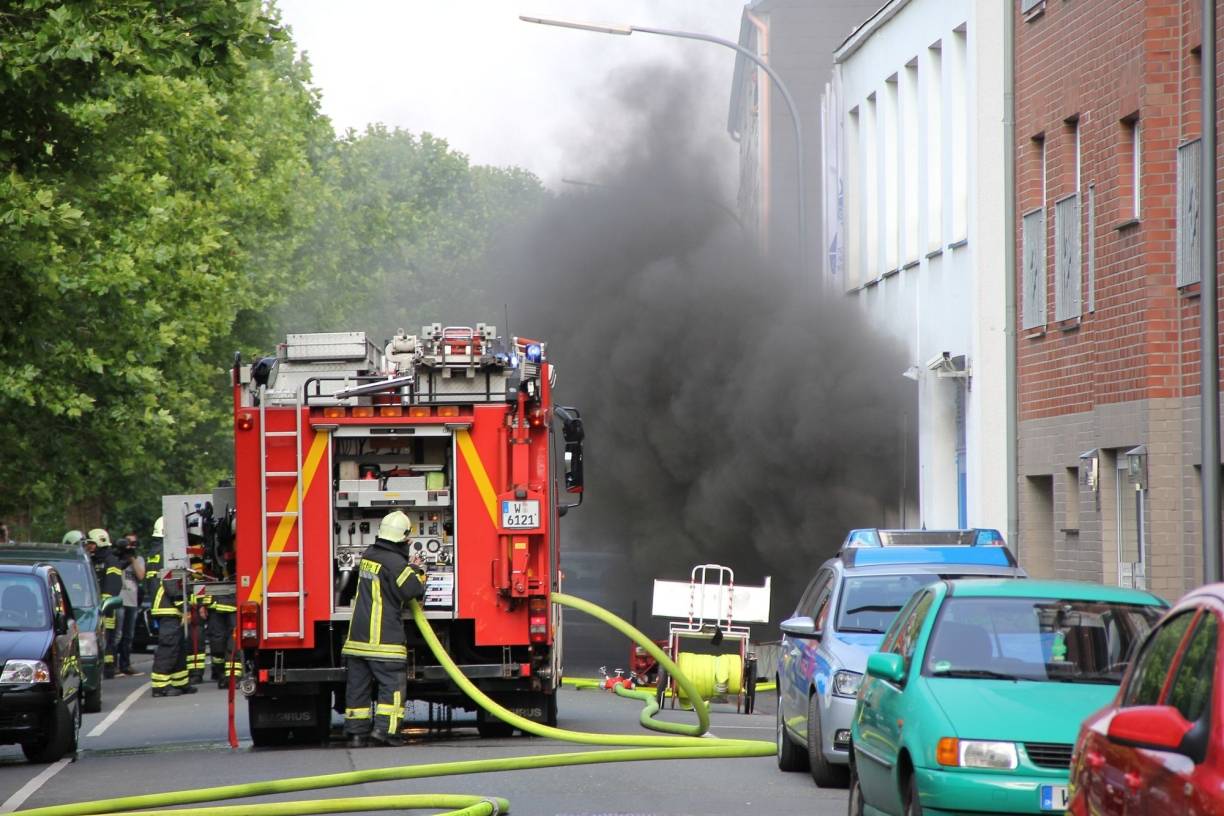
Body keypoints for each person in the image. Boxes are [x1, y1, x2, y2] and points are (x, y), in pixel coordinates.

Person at [341, 510, 427, 748]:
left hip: (357, 639)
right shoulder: (396, 564)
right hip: (383, 639)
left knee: (357, 688)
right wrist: (418, 572)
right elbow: (411, 590)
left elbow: (388, 577)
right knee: (392, 686)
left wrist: (406, 566)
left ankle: (356, 733)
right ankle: (385, 732)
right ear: (403, 539)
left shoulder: (370, 554)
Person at [150, 569, 196, 697]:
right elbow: (172, 587)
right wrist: (184, 607)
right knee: (168, 647)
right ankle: (160, 686)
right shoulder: (173, 564)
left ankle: (180, 681)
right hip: (168, 610)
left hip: (173, 611)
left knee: (179, 648)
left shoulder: (179, 564)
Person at [114, 536, 145, 677]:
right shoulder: (115, 558)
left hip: (131, 601)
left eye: (133, 543)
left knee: (128, 635)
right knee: (116, 635)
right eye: (128, 543)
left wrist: (132, 559)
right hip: (118, 600)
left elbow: (141, 576)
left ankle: (125, 665)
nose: (130, 546)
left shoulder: (138, 559)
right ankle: (113, 666)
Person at [96, 529, 123, 679]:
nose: (90, 547)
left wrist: (105, 603)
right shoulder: (95, 560)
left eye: (92, 544)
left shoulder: (111, 560)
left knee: (110, 638)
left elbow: (114, 585)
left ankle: (109, 668)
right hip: (97, 606)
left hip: (108, 608)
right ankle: (105, 666)